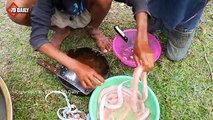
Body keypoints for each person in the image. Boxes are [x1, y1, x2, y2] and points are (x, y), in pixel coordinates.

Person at [6, 0, 113, 89]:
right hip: (52, 8)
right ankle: (60, 29)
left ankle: (93, 28)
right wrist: (76, 66)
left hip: (83, 6)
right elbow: (37, 39)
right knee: (14, 9)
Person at [115, 0, 208, 71]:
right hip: (155, 7)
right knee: (149, 18)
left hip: (186, 16)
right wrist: (142, 37)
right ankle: (155, 18)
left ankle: (180, 27)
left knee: (174, 56)